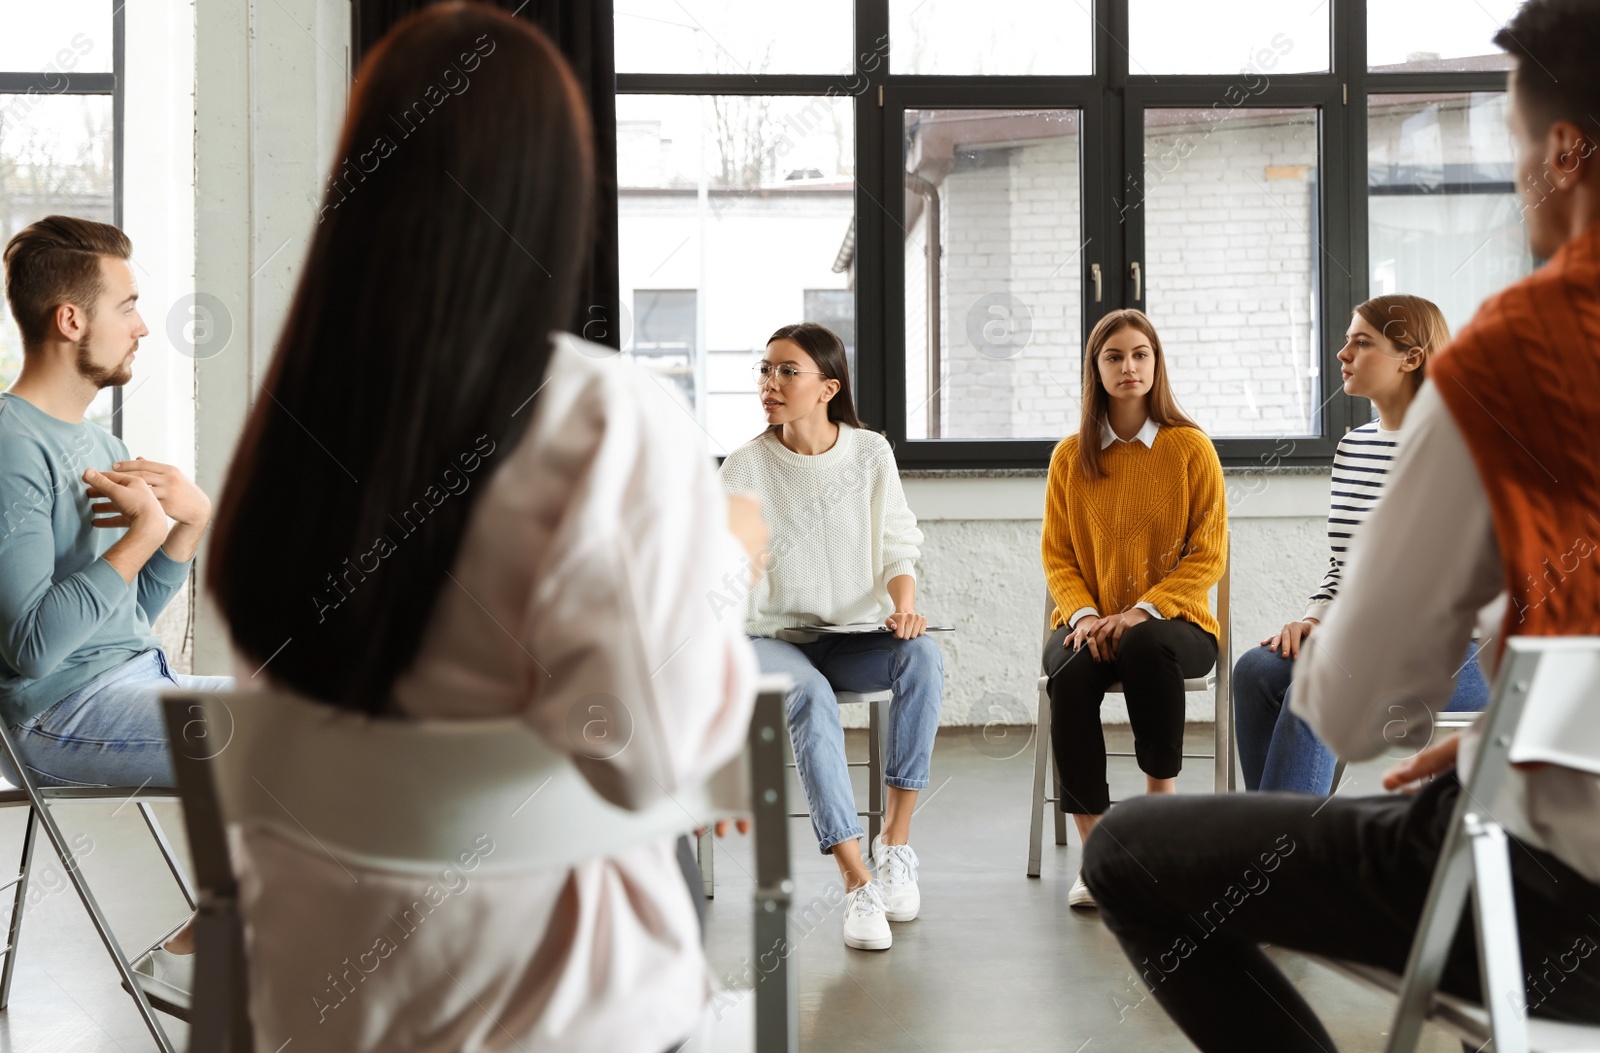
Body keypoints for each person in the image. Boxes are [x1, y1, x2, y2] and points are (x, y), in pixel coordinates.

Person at [205, 6, 759, 1051]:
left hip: (315, 1014)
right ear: (550, 197)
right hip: (569, 1019)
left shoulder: (289, 431)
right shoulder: (605, 416)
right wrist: (729, 556)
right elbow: (645, 756)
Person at [1084, 2, 1600, 1046]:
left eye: (1509, 148)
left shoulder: (1516, 357)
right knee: (1264, 675)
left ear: (1562, 149)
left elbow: (1363, 711)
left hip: (1552, 897)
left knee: (1129, 853)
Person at [718, 321, 942, 953]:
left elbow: (899, 543)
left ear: (827, 387)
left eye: (788, 371)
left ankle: (895, 844)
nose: (770, 383)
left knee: (922, 656)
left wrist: (904, 609)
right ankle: (856, 882)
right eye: (765, 370)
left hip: (852, 634)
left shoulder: (871, 454)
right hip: (768, 636)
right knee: (808, 696)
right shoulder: (744, 466)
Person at [0, 215, 228, 794]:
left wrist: (187, 524)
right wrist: (142, 536)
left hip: (136, 680)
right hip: (58, 717)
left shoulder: (105, 446)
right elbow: (32, 648)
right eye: (127, 307)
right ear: (71, 320)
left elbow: (121, 622)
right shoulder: (10, 446)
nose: (143, 328)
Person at [1234, 294, 1489, 794]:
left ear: (1411, 358)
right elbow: (1343, 567)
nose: (1342, 354)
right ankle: (1274, 837)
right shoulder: (1355, 448)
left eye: (1362, 342)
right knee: (1257, 671)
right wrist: (1314, 620)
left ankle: (1280, 859)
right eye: (1346, 341)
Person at [1041, 308, 1227, 910]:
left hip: (1179, 629)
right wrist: (1086, 616)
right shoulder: (1071, 457)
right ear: (1096, 369)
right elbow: (1059, 557)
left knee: (1147, 644)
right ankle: (1097, 859)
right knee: (1067, 671)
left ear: (1156, 363)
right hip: (1089, 627)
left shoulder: (1191, 449)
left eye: (1140, 355)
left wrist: (1142, 612)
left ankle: (1158, 828)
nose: (1129, 367)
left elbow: (1208, 555)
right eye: (1114, 356)